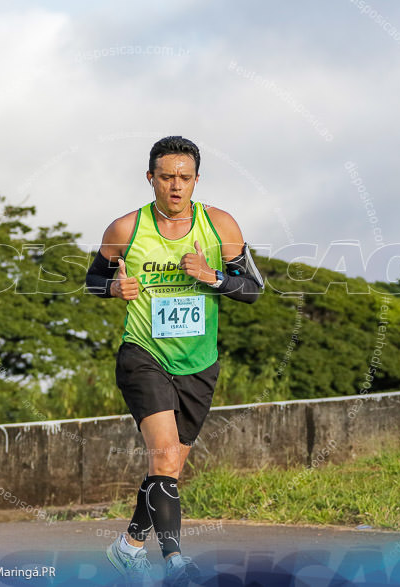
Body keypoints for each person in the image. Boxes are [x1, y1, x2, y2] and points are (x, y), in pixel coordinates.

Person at [86, 136, 263, 586]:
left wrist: (213, 276)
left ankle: (127, 547)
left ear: (197, 179)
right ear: (151, 179)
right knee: (164, 457)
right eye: (166, 177)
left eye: (185, 177)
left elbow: (254, 290)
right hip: (143, 354)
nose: (176, 186)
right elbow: (92, 281)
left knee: (168, 469)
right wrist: (113, 289)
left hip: (199, 363)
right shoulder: (126, 230)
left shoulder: (220, 225)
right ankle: (176, 563)